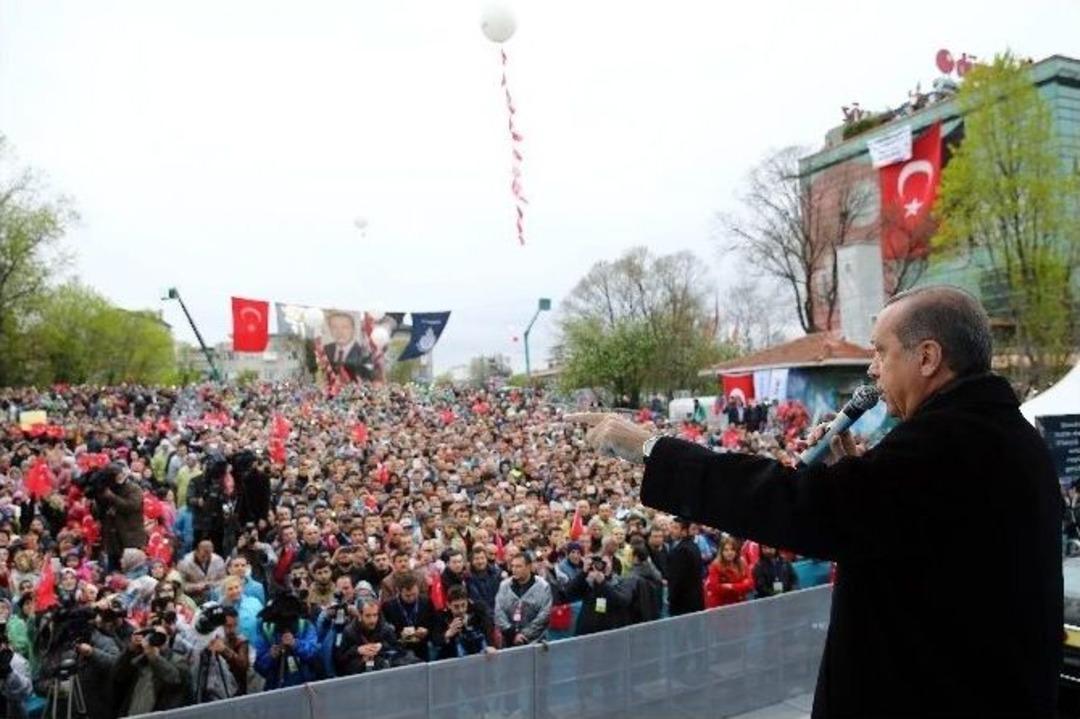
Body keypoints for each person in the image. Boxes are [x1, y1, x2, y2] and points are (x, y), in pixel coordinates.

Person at [570, 286, 1063, 718]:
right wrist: (852, 477)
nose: (871, 370)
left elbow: (795, 505)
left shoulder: (946, 443)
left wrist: (651, 449)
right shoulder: (1003, 434)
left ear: (928, 357)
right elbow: (899, 533)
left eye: (880, 352)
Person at [563, 555, 633, 636]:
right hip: (585, 634)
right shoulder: (588, 583)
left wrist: (603, 583)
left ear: (611, 564)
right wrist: (583, 573)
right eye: (596, 564)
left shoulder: (619, 582)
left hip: (609, 634)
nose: (600, 567)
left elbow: (622, 601)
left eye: (604, 563)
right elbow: (568, 594)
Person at [493, 554, 552, 647]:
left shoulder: (543, 586)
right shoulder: (504, 586)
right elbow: (499, 612)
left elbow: (544, 615)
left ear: (529, 567)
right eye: (512, 566)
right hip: (509, 641)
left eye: (518, 566)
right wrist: (513, 634)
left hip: (536, 642)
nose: (514, 570)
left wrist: (524, 635)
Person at [97, 463, 147, 570]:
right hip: (112, 538)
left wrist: (112, 497)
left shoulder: (133, 489)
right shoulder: (107, 489)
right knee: (113, 568)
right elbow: (98, 513)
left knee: (132, 568)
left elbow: (132, 506)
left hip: (130, 536)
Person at [332, 600, 401, 676]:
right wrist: (357, 651)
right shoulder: (349, 632)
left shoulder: (385, 629)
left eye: (375, 615)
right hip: (357, 675)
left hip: (384, 672)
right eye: (368, 616)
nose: (372, 620)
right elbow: (339, 659)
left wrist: (381, 647)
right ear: (360, 616)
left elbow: (398, 649)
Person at [380, 573, 436, 662]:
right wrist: (400, 635)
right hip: (401, 651)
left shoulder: (426, 602)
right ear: (398, 591)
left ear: (417, 588)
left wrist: (426, 631)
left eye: (414, 594)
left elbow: (434, 623)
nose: (411, 598)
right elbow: (385, 632)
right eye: (407, 595)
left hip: (423, 647)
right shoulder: (388, 607)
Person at [433, 585, 496, 660]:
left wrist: (489, 645)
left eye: (463, 605)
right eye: (456, 606)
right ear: (448, 605)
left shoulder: (478, 611)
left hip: (478, 655)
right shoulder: (442, 617)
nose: (461, 610)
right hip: (453, 660)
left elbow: (488, 628)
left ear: (468, 601)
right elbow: (435, 640)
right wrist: (448, 633)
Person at [664, 518, 704, 616]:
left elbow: (677, 578)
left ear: (684, 532)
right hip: (695, 599)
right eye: (672, 527)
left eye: (676, 528)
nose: (672, 531)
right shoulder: (693, 545)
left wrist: (671, 597)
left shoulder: (681, 550)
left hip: (683, 603)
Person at [322, 312, 375, 382]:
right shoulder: (325, 350)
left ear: (353, 330)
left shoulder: (363, 354)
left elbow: (368, 378)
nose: (339, 332)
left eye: (345, 327)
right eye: (334, 327)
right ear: (330, 330)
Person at [705, 537, 753, 608]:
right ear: (721, 552)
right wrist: (742, 584)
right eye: (726, 550)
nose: (729, 553)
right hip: (720, 606)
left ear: (736, 551)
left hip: (739, 602)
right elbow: (715, 588)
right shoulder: (715, 566)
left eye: (732, 549)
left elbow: (750, 584)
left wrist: (731, 586)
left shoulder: (742, 562)